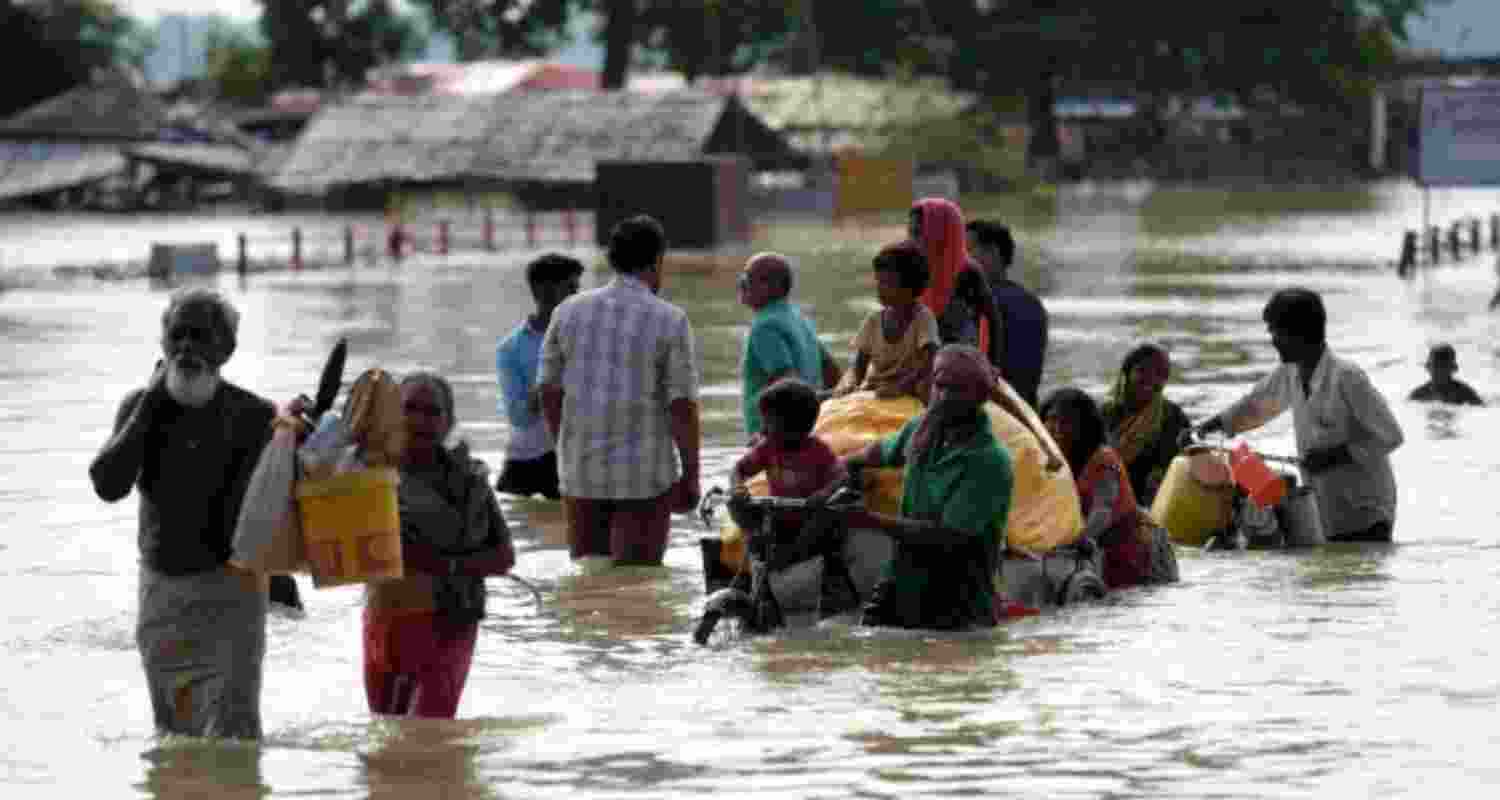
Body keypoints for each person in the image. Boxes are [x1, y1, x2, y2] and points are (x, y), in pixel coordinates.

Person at [88, 287, 277, 740]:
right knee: (172, 732)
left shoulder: (254, 415)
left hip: (233, 594)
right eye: (178, 336)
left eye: (200, 336)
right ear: (162, 344)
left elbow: (273, 510)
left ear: (226, 349)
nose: (187, 348)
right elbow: (107, 485)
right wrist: (151, 405)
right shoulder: (140, 407)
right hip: (162, 591)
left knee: (234, 735)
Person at [539, 214, 700, 565]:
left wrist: (565, 448)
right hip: (644, 475)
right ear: (657, 260)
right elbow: (682, 404)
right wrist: (691, 475)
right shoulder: (670, 320)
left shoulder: (567, 312)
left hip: (581, 470)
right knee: (638, 582)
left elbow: (548, 391)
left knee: (589, 577)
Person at [1197, 288, 1404, 543]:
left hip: (1367, 511)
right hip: (1326, 510)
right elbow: (1256, 404)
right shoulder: (1290, 372)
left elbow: (1391, 436)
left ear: (1299, 332)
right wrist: (1212, 425)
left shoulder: (1347, 378)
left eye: (1275, 331)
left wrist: (1336, 456)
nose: (1272, 339)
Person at [363, 372, 515, 719]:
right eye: (409, 408)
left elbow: (504, 556)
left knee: (428, 731)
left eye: (431, 411)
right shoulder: (368, 475)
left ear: (448, 422)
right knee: (385, 735)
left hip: (450, 621)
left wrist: (443, 565)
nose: (418, 419)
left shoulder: (470, 482)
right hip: (385, 616)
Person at [837, 345, 1014, 631]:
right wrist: (843, 464)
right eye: (939, 385)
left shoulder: (989, 461)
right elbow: (882, 452)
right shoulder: (923, 429)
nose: (943, 397)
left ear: (979, 397)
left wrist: (870, 520)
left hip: (958, 590)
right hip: (903, 571)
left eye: (956, 390)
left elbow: (949, 536)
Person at [1041, 387, 1153, 589]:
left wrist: (1079, 539)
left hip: (1125, 552)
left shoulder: (1103, 459)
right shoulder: (1050, 461)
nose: (1055, 427)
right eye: (1050, 419)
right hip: (1089, 550)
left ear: (1084, 426)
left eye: (1066, 421)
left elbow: (1103, 510)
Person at [494, 253, 584, 499]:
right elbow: (520, 417)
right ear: (543, 291)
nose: (578, 298)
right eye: (571, 289)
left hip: (578, 457)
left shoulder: (589, 341)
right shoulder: (509, 349)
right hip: (526, 462)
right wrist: (550, 380)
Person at [737, 252, 842, 440]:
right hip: (809, 424)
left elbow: (787, 384)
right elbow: (832, 371)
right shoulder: (799, 318)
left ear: (771, 287)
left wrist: (764, 434)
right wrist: (830, 401)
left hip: (776, 432)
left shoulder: (765, 326)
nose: (741, 286)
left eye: (747, 280)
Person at [829, 241, 941, 402]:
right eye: (878, 281)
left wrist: (901, 386)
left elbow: (928, 363)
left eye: (887, 283)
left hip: (910, 393)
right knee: (824, 398)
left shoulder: (923, 318)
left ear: (910, 287)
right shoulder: (873, 320)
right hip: (875, 391)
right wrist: (850, 383)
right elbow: (858, 366)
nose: (879, 288)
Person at [966, 218, 1050, 409]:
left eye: (968, 250)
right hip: (1024, 408)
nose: (961, 258)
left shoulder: (979, 302)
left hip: (992, 408)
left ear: (993, 253)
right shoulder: (1031, 302)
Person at [910, 198, 1001, 366]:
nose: (912, 241)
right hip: (918, 360)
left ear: (939, 232)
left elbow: (992, 321)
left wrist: (992, 366)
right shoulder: (910, 268)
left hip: (957, 363)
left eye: (918, 234)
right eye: (911, 233)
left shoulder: (968, 272)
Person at [1100, 343, 1193, 508]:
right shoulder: (1105, 414)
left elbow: (1186, 463)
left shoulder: (1173, 416)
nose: (1151, 379)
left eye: (1159, 374)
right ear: (1127, 373)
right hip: (1108, 498)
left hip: (1156, 503)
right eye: (1143, 371)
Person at [1408, 343, 1484, 406]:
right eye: (1436, 366)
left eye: (1443, 366)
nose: (1439, 371)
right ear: (1428, 367)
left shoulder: (1465, 393)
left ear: (1453, 368)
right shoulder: (1419, 394)